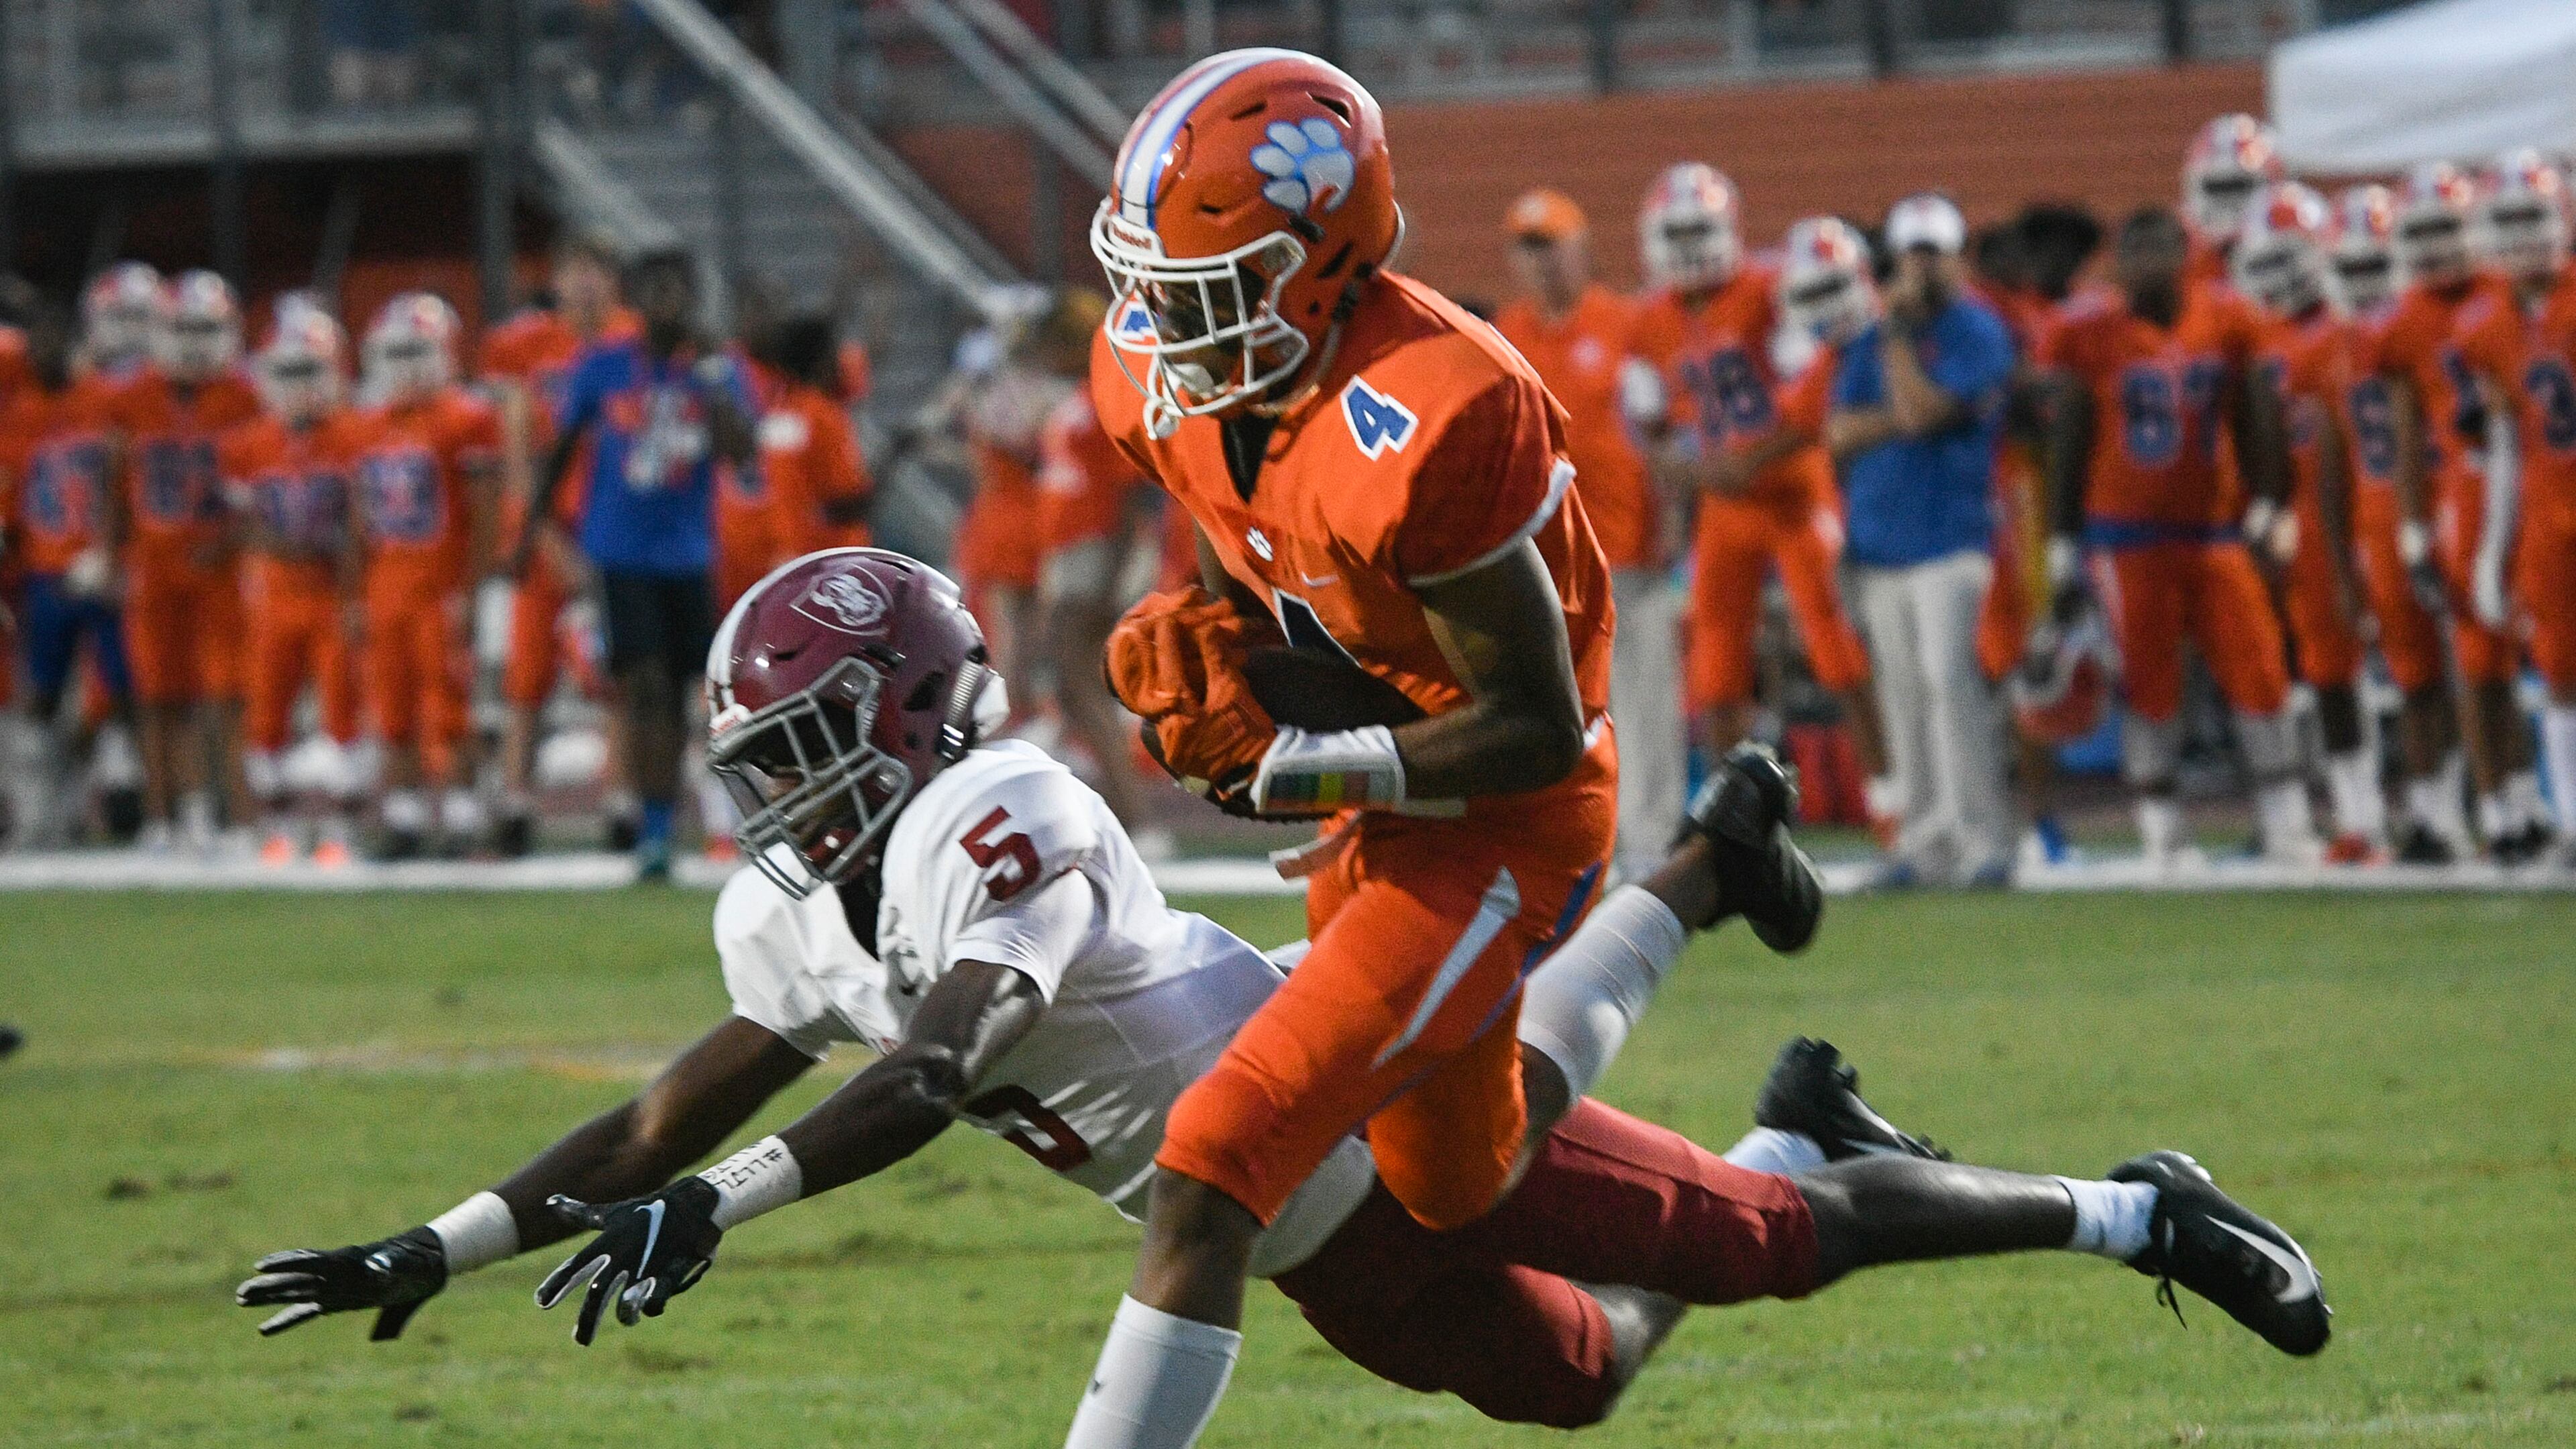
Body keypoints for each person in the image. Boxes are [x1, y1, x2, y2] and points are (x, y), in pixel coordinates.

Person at [237, 551, 2332, 1434]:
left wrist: (736, 1207)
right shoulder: (802, 903)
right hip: (1308, 1234)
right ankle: (1743, 971)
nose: (773, 800)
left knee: (1757, 1246)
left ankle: (2135, 1204)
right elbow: (655, 1122)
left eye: (796, 750)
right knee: (1586, 1381)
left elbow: (943, 1071)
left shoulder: (1002, 811)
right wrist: (439, 1242)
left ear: (897, 717)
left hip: (1323, 1122)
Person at [1074, 48, 1639, 1449]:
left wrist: (1301, 768)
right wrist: (1222, 643)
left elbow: (1536, 726)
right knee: (1450, 1183)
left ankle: (1676, 895)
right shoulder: (1159, 373)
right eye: (1150, 285)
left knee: (1209, 1161)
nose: (1160, 325)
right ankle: (1742, 1016)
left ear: (1316, 265)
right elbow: (1253, 533)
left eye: (1201, 295)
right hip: (1388, 776)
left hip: (1511, 819)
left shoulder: (1442, 406)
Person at [2039, 207, 2318, 868]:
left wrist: (2268, 502)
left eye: (2159, 252)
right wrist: (2060, 543)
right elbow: (2069, 439)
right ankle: (2162, 827)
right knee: (2149, 682)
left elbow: (2255, 415)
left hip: (2214, 528)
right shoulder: (2089, 333)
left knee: (2261, 670)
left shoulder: (2226, 320)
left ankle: (2287, 821)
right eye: (2134, 253)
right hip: (2125, 536)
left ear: (2184, 254)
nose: (2146, 267)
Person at [1627, 164, 1881, 791]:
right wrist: (1687, 472)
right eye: (1677, 232)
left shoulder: (1771, 289)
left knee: (1835, 647)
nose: (1688, 247)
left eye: (1699, 230)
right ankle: (1729, 815)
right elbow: (1647, 423)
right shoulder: (1650, 321)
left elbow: (1820, 380)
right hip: (1725, 505)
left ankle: (1889, 798)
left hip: (1796, 488)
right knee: (1714, 663)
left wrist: (1757, 457)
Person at [520, 248, 755, 880]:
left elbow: (743, 452)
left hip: (688, 552)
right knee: (644, 682)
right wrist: (535, 535)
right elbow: (564, 448)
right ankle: (653, 824)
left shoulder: (715, 368)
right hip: (620, 549)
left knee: (685, 692)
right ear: (634, 296)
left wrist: (711, 385)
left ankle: (669, 820)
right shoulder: (603, 365)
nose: (665, 301)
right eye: (652, 288)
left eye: (676, 288)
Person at [1821, 196, 2019, 888]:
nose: (1924, 267)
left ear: (1958, 257)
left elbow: (1921, 411)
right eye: (1915, 253)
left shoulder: (1977, 331)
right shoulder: (1871, 337)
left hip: (1950, 537)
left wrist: (1901, 348)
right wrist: (1903, 413)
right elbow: (1841, 429)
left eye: (1935, 253)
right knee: (1905, 694)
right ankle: (1925, 842)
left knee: (1949, 686)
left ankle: (1983, 839)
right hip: (1881, 541)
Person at [1494, 188, 1680, 879]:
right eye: (1527, 249)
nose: (1541, 264)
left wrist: (1674, 522)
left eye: (1551, 247)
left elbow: (1668, 427)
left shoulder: (1627, 324)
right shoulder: (1508, 331)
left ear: (1582, 248)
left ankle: (1651, 840)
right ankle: (1579, 841)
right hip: (1546, 562)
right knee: (1561, 706)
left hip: (1629, 547)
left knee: (1644, 701)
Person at [2373, 162, 2551, 863]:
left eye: (2446, 229)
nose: (2438, 247)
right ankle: (2505, 808)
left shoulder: (2513, 297)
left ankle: (2536, 800)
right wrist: (2415, 529)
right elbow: (2408, 434)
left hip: (2536, 477)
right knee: (2482, 662)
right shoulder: (2407, 319)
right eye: (2422, 233)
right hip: (2467, 492)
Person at [2233, 184, 2387, 863]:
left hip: (2373, 504)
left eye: (2285, 256)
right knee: (2326, 667)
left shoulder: (2356, 323)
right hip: (2305, 519)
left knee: (2418, 661)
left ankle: (2456, 808)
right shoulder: (2258, 334)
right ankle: (2360, 815)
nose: (2272, 275)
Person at [481, 233, 643, 858]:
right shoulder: (525, 347)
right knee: (527, 677)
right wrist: (545, 535)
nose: (583, 284)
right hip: (547, 528)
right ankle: (514, 807)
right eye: (572, 269)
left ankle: (622, 803)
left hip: (619, 531)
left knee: (620, 674)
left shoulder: (635, 340)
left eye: (595, 269)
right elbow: (520, 455)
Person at [2330, 182, 2471, 863]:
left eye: (2372, 265)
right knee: (2415, 675)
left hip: (2454, 493)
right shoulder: (2329, 346)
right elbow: (2332, 456)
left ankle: (2505, 807)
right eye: (2350, 268)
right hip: (2382, 511)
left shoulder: (2438, 319)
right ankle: (2434, 814)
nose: (2365, 283)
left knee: (2482, 663)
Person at [2451, 150, 2576, 866]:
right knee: (2560, 671)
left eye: (2533, 215)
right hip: (2548, 509)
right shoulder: (2484, 324)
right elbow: (2499, 442)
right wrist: (2492, 547)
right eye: (2509, 220)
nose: (2524, 235)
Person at [112, 270, 261, 855]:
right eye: (185, 327)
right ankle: (163, 816)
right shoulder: (131, 395)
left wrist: (229, 541)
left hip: (220, 566)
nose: (196, 341)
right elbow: (112, 475)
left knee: (226, 694)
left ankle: (230, 817)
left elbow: (261, 484)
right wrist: (108, 553)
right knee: (156, 694)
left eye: (208, 328)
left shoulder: (246, 393)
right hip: (153, 562)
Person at [350, 293, 500, 859]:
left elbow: (485, 511)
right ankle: (406, 818)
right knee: (393, 705)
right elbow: (361, 520)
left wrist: (474, 586)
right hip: (387, 584)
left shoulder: (467, 416)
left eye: (418, 350)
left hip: (442, 585)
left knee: (450, 703)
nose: (407, 364)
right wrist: (357, 593)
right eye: (398, 351)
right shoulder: (370, 424)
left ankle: (461, 817)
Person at [224, 303, 370, 866]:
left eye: (311, 371)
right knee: (267, 715)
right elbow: (238, 524)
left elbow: (363, 523)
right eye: (288, 372)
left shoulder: (355, 435)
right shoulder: (248, 444)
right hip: (273, 595)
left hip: (333, 594)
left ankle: (340, 829)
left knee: (342, 711)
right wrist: (279, 545)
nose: (300, 386)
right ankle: (276, 827)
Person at [1026, 289, 1168, 843]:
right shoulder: (1079, 397)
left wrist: (1114, 570)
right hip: (1071, 547)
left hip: (1096, 548)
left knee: (1075, 677)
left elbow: (1132, 488)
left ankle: (1135, 816)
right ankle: (1120, 812)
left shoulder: (1107, 395)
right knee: (1073, 683)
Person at [0, 297, 133, 846]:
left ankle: (106, 800)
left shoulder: (104, 401)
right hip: (44, 572)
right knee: (41, 695)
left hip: (98, 570)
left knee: (121, 692)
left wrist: (112, 553)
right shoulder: (21, 413)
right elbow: (11, 496)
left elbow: (123, 483)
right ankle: (40, 811)